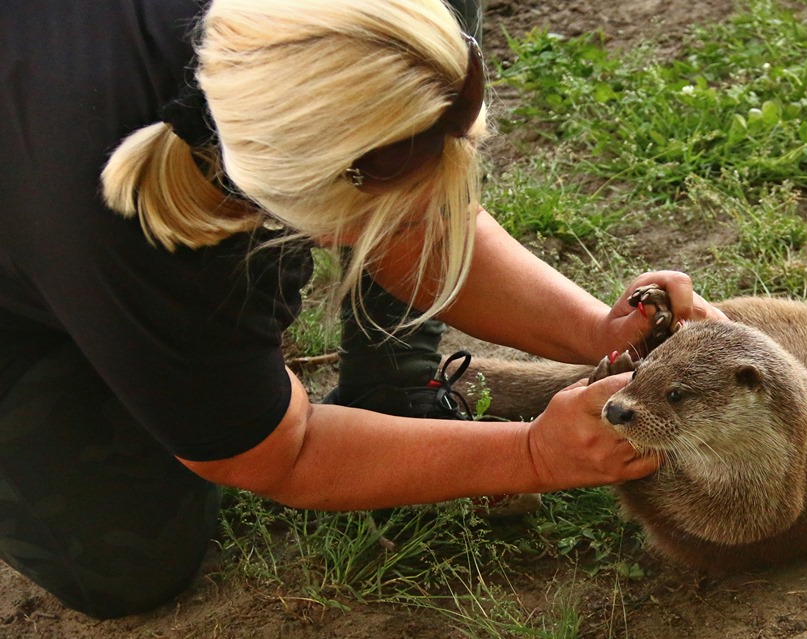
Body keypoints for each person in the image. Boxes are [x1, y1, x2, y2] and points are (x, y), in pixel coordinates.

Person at [0, 0, 723, 621]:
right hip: (44, 247)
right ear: (289, 200)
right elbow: (279, 451)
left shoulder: (374, 17)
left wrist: (596, 330)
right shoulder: (125, 244)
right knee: (125, 565)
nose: (438, 217)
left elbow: (422, 226)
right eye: (396, 216)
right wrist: (533, 454)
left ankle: (385, 380)